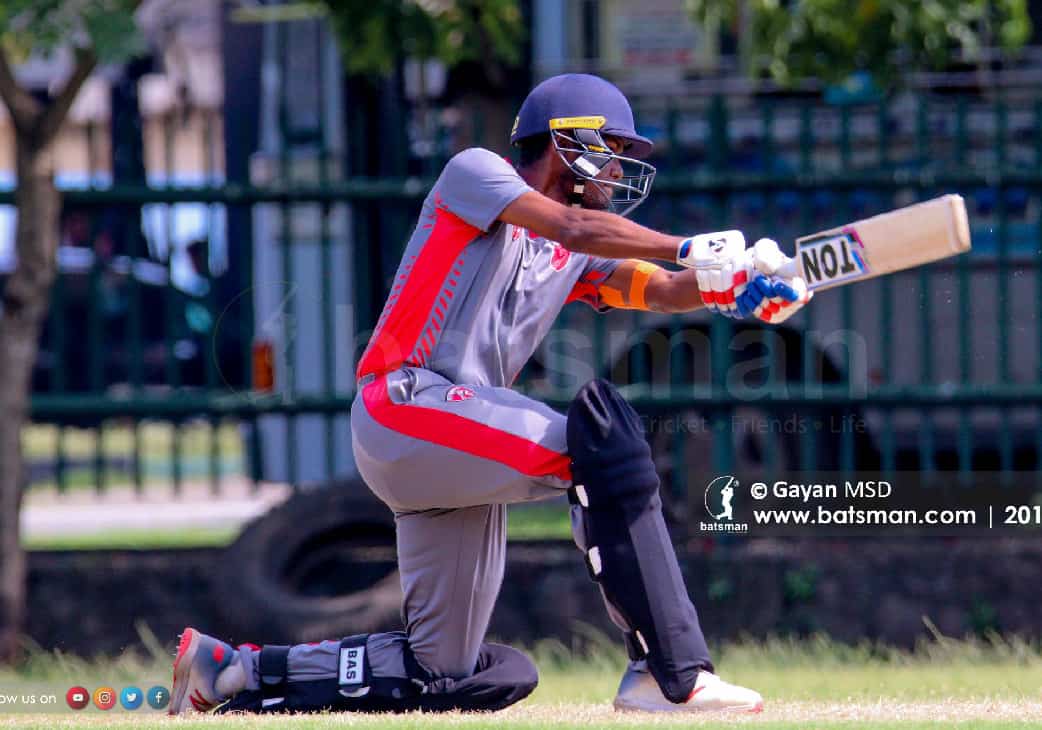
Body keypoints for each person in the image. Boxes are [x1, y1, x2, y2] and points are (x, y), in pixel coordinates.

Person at [169, 73, 811, 716]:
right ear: (569, 142)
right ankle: (671, 674)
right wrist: (689, 245)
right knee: (603, 442)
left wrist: (738, 287)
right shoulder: (475, 174)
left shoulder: (569, 251)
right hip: (405, 403)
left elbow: (664, 289)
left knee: (445, 672)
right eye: (614, 149)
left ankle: (233, 673)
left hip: (451, 443)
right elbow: (573, 227)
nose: (621, 172)